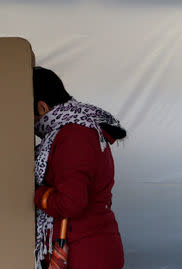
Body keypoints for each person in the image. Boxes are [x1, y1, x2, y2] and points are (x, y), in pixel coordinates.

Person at [32, 66, 125, 269]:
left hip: (85, 253)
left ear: (42, 108)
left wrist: (35, 194)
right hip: (90, 246)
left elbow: (71, 203)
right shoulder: (79, 126)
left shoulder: (73, 136)